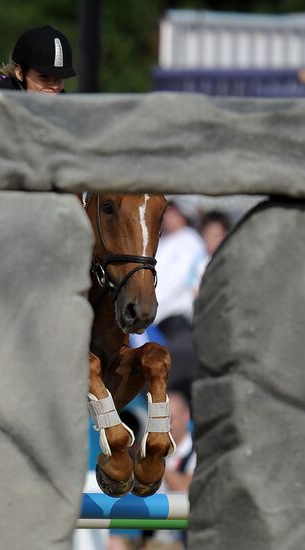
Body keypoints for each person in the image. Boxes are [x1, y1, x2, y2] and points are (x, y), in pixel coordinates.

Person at [153, 198, 207, 401]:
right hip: (153, 323)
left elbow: (173, 283)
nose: (168, 216)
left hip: (172, 325)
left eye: (173, 212)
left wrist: (148, 313)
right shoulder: (162, 242)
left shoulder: (190, 242)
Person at [143, 391, 196, 550]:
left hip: (182, 540)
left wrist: (158, 461)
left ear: (186, 415)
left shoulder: (198, 450)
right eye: (162, 420)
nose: (167, 426)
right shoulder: (151, 451)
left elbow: (185, 488)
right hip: (150, 536)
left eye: (171, 419)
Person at [0, 25, 76, 93]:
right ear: (19, 72)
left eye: (59, 78)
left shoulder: (63, 102)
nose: (55, 87)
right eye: (44, 77)